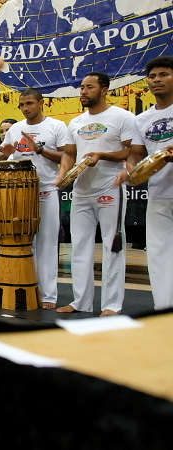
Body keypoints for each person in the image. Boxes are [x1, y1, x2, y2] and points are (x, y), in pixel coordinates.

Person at [55, 72, 134, 316]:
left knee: (112, 246)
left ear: (104, 89)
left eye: (89, 87)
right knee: (79, 247)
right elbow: (69, 153)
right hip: (81, 190)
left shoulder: (122, 117)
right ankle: (81, 302)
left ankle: (111, 304)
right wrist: (63, 174)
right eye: (81, 88)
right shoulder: (76, 122)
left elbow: (131, 152)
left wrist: (102, 155)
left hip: (109, 187)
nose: (83, 92)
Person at [0, 88, 73, 309]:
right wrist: (5, 151)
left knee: (47, 243)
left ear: (41, 103)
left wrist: (40, 150)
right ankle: (28, 287)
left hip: (46, 189)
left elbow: (67, 155)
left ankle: (48, 295)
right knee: (25, 243)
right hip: (20, 193)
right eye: (22, 105)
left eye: (29, 103)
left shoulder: (56, 126)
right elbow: (3, 154)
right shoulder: (17, 128)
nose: (25, 108)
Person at [122, 56, 173, 310]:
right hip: (159, 195)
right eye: (152, 77)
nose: (156, 80)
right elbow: (136, 155)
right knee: (160, 256)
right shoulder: (141, 119)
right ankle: (164, 312)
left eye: (163, 74)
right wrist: (132, 171)